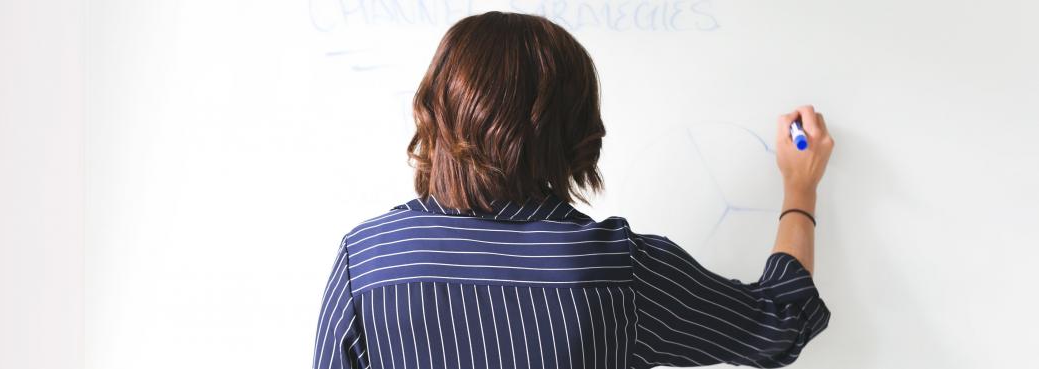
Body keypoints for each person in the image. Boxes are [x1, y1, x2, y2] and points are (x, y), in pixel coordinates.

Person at [312, 10, 833, 369]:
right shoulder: (620, 269)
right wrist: (800, 186)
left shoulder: (369, 260)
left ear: (435, 112)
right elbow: (781, 323)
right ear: (574, 128)